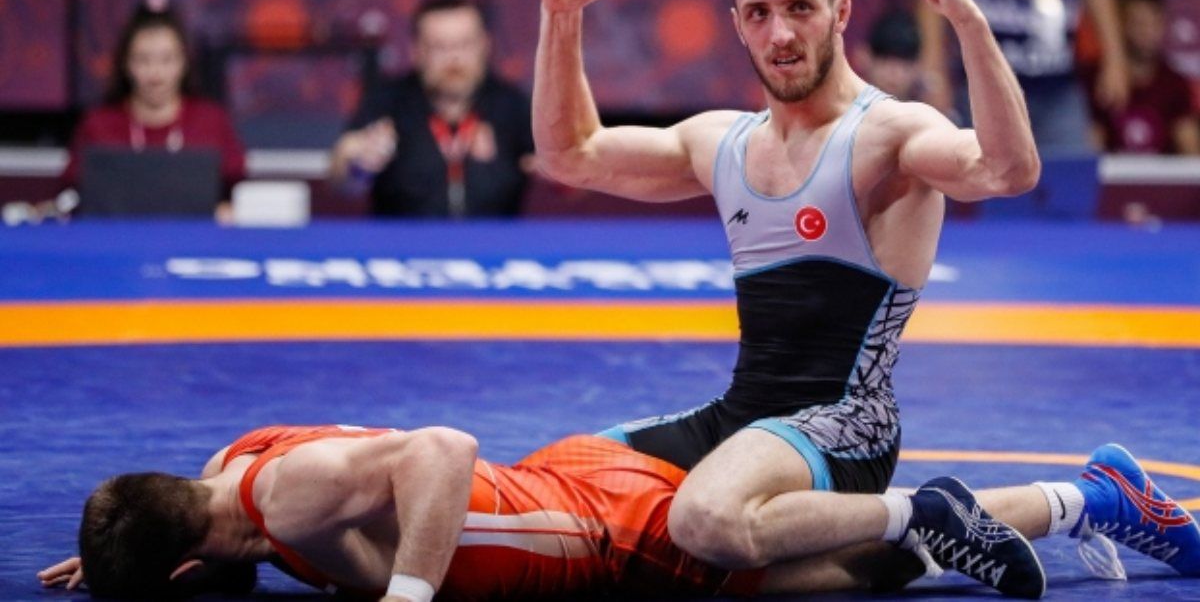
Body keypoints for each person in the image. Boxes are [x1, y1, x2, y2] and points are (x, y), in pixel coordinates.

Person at [532, 0, 1192, 586]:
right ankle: (1054, 504)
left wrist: (967, 23)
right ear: (737, 25)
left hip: (848, 427)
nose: (780, 34)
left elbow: (1008, 170)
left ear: (841, 13)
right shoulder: (722, 142)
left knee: (706, 524)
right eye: (759, 13)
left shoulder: (889, 134)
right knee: (565, 475)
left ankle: (920, 514)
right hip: (743, 421)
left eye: (800, 7)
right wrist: (561, 16)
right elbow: (572, 155)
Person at [36, 423, 1200, 599]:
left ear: (186, 567)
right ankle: (1090, 496)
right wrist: (120, 547)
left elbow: (441, 450)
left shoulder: (282, 496)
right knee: (850, 578)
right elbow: (199, 525)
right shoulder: (223, 472)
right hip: (571, 502)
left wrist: (408, 596)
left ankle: (917, 512)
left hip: (598, 527)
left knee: (812, 561)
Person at [916, 0, 1128, 155]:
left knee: (1069, 169)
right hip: (988, 90)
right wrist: (933, 73)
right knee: (988, 171)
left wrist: (1115, 59)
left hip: (1059, 85)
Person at [330, 0, 534, 218]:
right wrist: (359, 166)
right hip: (404, 238)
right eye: (440, 47)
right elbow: (344, 178)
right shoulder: (388, 101)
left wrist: (553, 166)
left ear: (485, 45)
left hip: (495, 238)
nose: (454, 58)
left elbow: (550, 169)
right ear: (416, 51)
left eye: (465, 44)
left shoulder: (512, 104)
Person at [66, 0, 247, 216]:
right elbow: (72, 195)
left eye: (167, 59)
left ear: (184, 63)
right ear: (126, 64)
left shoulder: (211, 120)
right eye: (143, 60)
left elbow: (237, 189)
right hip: (116, 236)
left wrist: (229, 212)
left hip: (195, 237)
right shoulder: (97, 125)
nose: (155, 74)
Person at [1087, 0, 1200, 155]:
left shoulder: (1175, 84)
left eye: (1154, 23)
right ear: (1119, 26)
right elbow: (1089, 146)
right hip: (1110, 171)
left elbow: (1190, 149)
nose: (1146, 32)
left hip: (1161, 172)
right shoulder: (1097, 79)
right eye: (1138, 23)